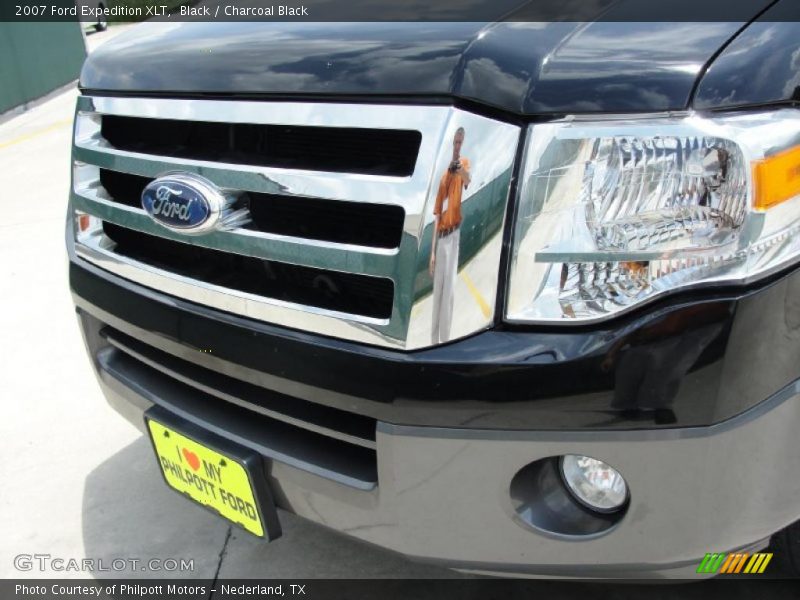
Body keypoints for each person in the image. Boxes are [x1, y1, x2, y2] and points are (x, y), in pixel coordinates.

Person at [429, 127, 471, 344]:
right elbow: (436, 215)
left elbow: (468, 179)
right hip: (441, 236)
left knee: (449, 293)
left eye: (460, 142)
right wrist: (432, 253)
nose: (457, 146)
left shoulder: (463, 164)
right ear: (451, 143)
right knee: (438, 293)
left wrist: (460, 170)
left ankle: (444, 343)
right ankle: (432, 342)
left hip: (454, 235)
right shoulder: (444, 178)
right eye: (455, 142)